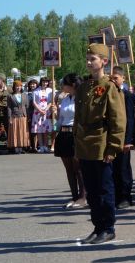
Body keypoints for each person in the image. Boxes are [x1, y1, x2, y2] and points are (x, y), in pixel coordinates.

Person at [73, 43, 126, 245]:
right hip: (85, 144)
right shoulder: (84, 87)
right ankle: (97, 227)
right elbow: (78, 119)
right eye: (87, 59)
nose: (88, 62)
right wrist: (77, 145)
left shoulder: (110, 87)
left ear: (104, 61)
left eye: (93, 59)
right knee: (92, 191)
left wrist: (113, 147)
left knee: (104, 189)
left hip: (102, 143)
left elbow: (118, 120)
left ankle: (108, 227)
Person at [110, 67, 135, 209]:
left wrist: (128, 140)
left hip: (122, 138)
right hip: (110, 137)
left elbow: (130, 118)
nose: (113, 80)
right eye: (111, 78)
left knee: (123, 169)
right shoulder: (108, 94)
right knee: (112, 168)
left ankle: (125, 197)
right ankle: (115, 195)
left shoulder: (126, 95)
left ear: (123, 79)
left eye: (116, 78)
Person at [56, 74, 87, 209]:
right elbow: (61, 118)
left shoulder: (82, 98)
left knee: (78, 168)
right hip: (64, 134)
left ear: (72, 85)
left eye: (65, 83)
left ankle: (83, 197)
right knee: (69, 169)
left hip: (76, 134)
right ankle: (74, 196)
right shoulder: (65, 99)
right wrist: (56, 115)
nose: (62, 86)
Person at [7, 80, 30, 154]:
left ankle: (23, 147)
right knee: (15, 132)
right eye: (16, 86)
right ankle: (16, 148)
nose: (18, 87)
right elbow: (9, 107)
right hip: (14, 116)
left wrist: (28, 116)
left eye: (19, 86)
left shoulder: (24, 95)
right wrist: (9, 117)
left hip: (23, 116)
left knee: (23, 132)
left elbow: (27, 106)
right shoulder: (10, 96)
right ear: (14, 87)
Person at [32, 77, 53, 153]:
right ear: (41, 82)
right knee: (39, 130)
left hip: (46, 112)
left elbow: (51, 101)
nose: (45, 83)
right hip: (38, 112)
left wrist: (46, 109)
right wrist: (40, 110)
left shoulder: (50, 91)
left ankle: (46, 146)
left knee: (46, 130)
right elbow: (34, 102)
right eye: (43, 82)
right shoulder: (36, 91)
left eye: (46, 82)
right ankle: (41, 146)